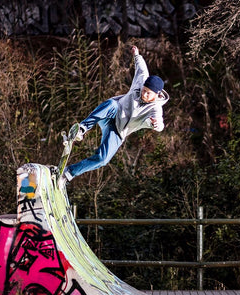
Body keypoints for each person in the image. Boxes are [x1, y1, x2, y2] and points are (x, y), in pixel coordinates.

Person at [57, 45, 169, 188]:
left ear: (157, 94)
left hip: (117, 131)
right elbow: (141, 67)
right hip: (111, 113)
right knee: (112, 104)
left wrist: (156, 124)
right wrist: (136, 54)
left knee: (103, 159)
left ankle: (68, 173)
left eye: (148, 93)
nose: (144, 94)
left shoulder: (156, 109)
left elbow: (160, 125)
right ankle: (82, 129)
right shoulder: (141, 80)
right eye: (144, 90)